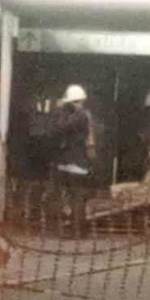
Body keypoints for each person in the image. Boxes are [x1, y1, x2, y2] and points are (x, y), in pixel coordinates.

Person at [52, 84, 95, 234]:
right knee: (75, 196)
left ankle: (78, 229)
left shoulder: (80, 115)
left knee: (76, 196)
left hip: (75, 162)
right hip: (74, 162)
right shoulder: (81, 114)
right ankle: (78, 228)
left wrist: (58, 109)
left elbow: (61, 127)